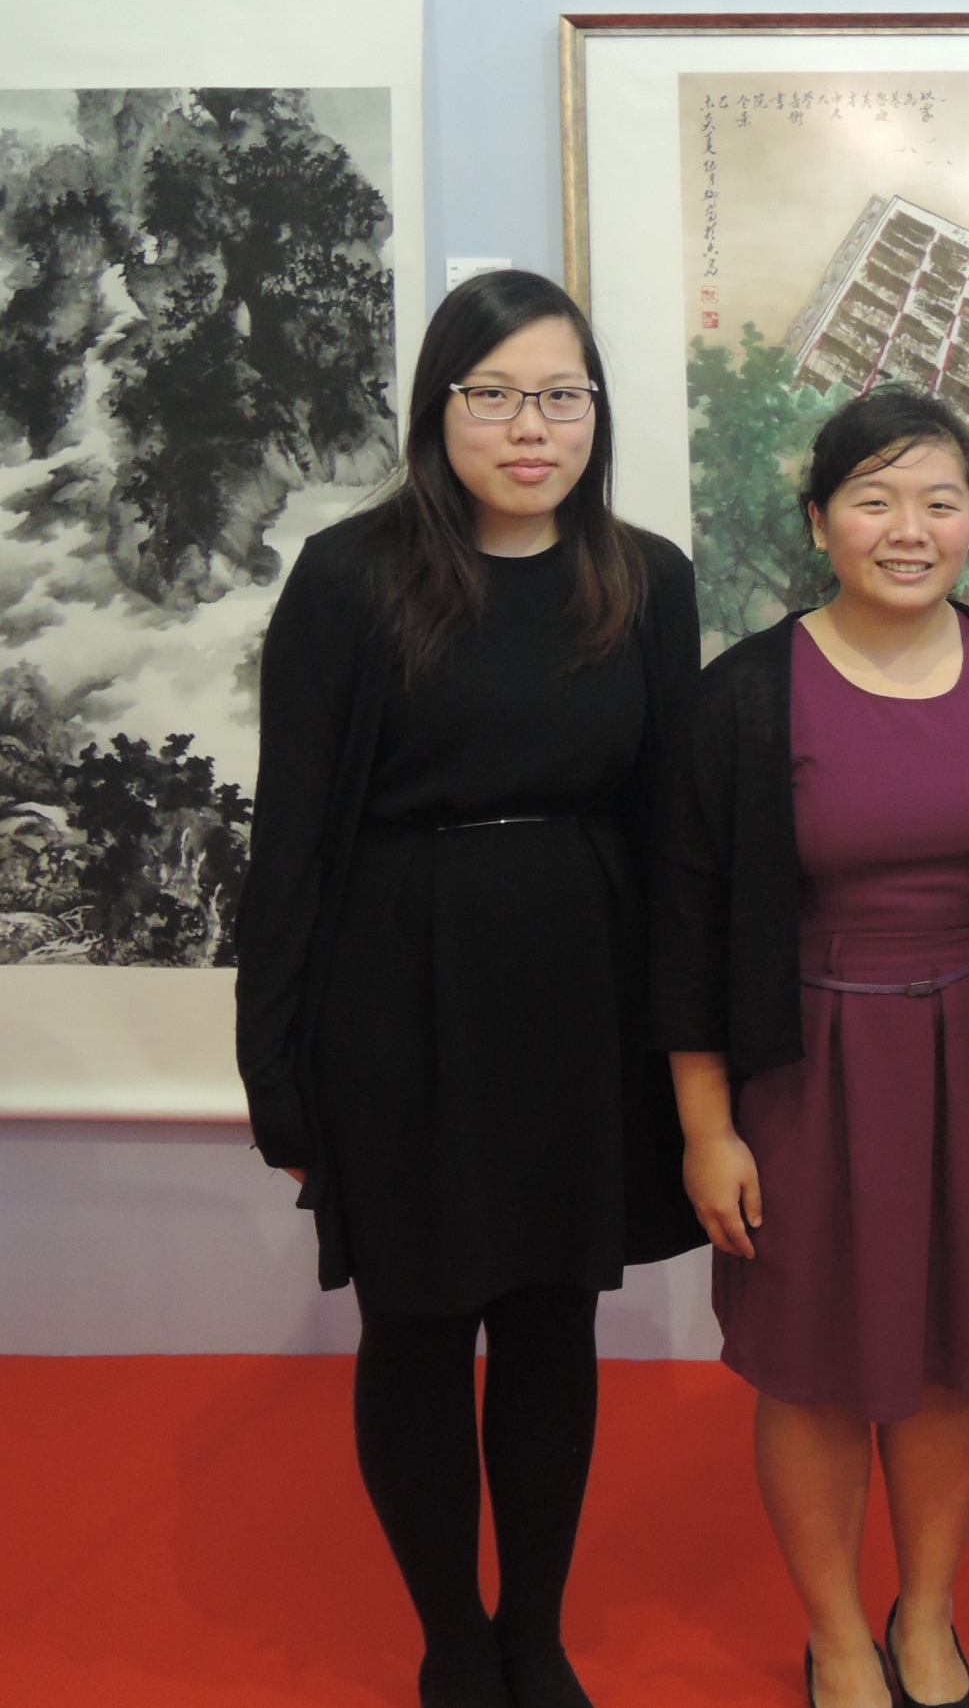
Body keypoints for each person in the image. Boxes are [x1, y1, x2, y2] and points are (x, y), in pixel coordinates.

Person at [234, 269, 705, 1708]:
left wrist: (688, 1053)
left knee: (555, 1318)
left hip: (583, 984)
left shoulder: (646, 576)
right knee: (422, 1320)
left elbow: (675, 830)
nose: (529, 426)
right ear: (439, 408)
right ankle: (451, 1633)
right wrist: (279, 1060)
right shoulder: (351, 574)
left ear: (595, 413)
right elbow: (294, 832)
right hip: (400, 984)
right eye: (492, 394)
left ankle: (537, 1627)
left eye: (561, 394)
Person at [646, 386, 969, 1708]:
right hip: (806, 1070)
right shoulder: (741, 698)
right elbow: (686, 928)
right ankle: (836, 1631)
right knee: (815, 1368)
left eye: (939, 500)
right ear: (818, 521)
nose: (911, 529)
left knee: (955, 1360)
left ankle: (928, 1615)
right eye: (876, 500)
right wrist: (705, 1127)